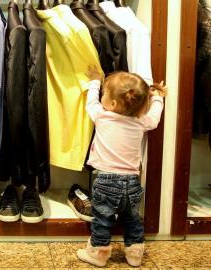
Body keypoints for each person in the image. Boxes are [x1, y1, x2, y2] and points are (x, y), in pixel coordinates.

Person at [76, 66, 167, 267]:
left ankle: (98, 254)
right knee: (132, 219)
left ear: (113, 103)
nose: (101, 98)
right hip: (133, 183)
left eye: (104, 95)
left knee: (102, 219)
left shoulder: (102, 116)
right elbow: (155, 117)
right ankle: (134, 255)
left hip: (106, 181)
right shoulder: (141, 121)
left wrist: (95, 81)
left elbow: (90, 102)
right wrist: (159, 96)